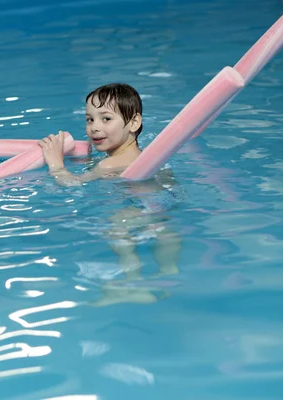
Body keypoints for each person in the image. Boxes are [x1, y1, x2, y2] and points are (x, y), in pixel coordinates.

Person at [39, 83, 182, 305]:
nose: (94, 127)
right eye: (90, 119)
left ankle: (131, 281)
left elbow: (73, 184)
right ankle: (168, 273)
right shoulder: (148, 157)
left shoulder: (107, 166)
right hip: (161, 205)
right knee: (165, 233)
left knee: (118, 227)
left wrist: (56, 164)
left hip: (133, 207)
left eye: (106, 119)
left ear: (134, 122)